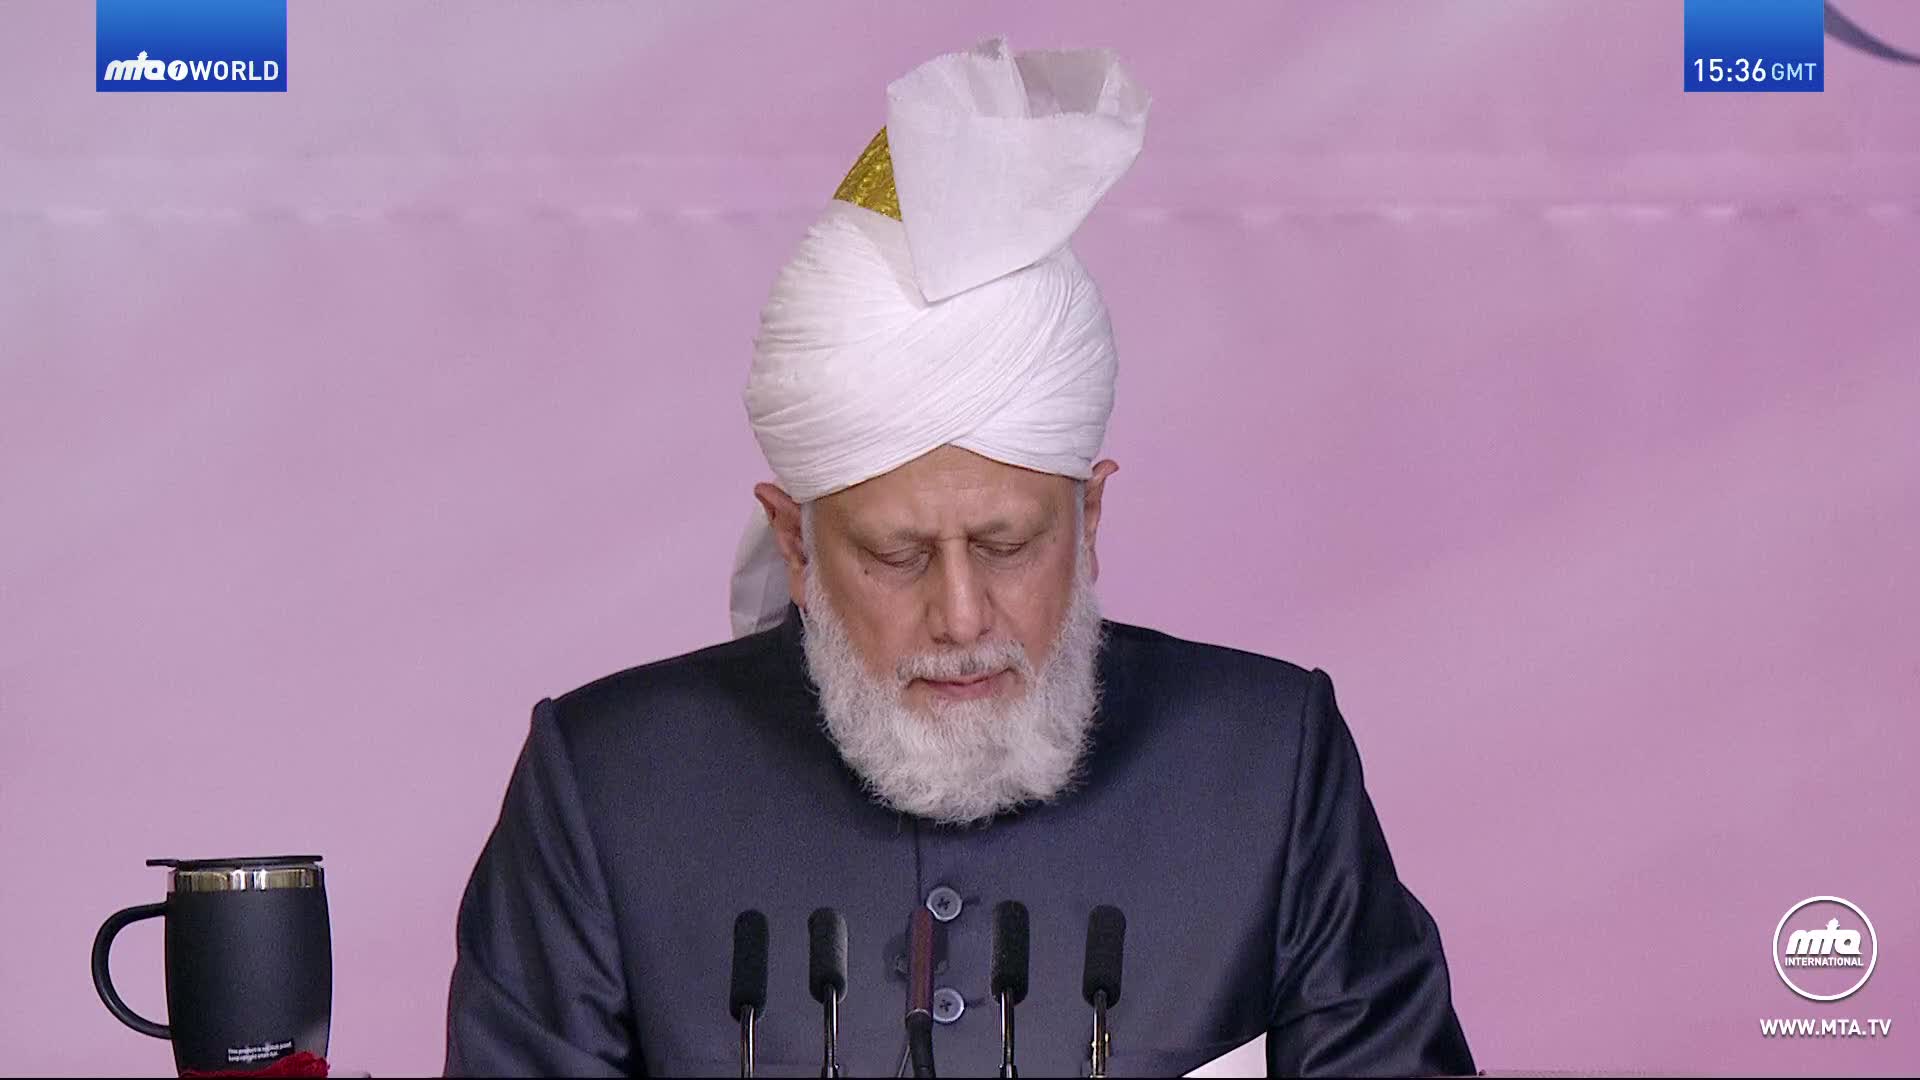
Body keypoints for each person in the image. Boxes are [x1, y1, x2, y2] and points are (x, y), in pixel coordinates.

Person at [446, 37, 1474, 1078]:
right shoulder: (610, 787)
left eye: (1009, 545)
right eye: (896, 556)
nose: (963, 615)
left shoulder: (1267, 767)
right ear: (797, 544)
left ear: (1093, 519)